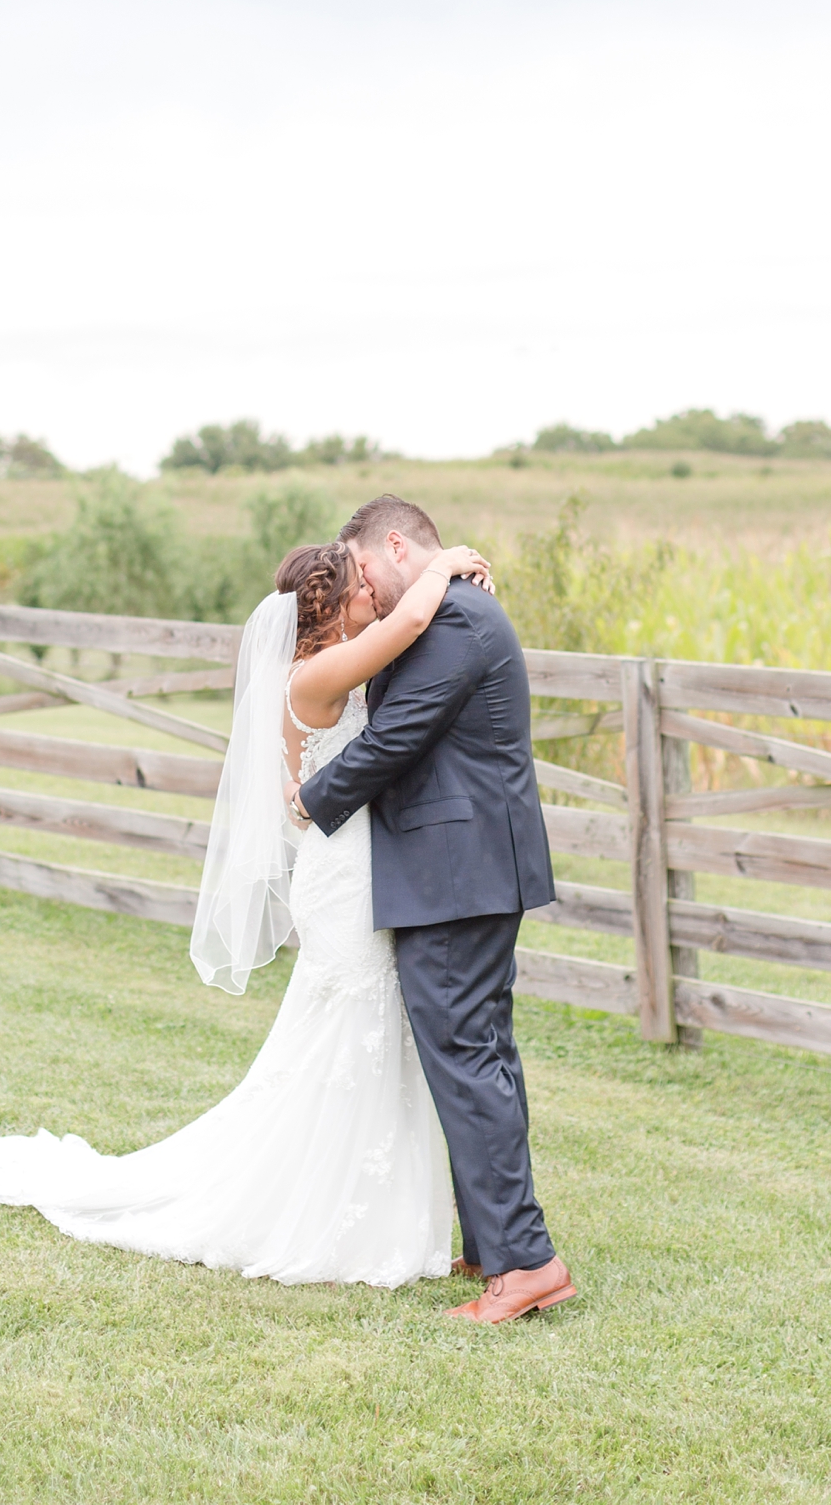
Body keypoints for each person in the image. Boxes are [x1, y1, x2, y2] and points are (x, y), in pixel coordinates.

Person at [0, 534, 493, 1289]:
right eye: (365, 582)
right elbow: (410, 627)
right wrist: (446, 560)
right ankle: (334, 1217)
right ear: (330, 607)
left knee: (363, 1035)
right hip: (346, 879)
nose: (376, 589)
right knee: (352, 1033)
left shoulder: (323, 664)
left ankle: (370, 1209)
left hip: (352, 865)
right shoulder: (322, 670)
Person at [291, 494, 574, 1324]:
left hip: (458, 872)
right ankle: (495, 1246)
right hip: (463, 868)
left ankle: (526, 1263)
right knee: (482, 1052)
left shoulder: (457, 619)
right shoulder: (445, 606)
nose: (364, 589)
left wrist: (309, 801)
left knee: (465, 1054)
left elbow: (396, 736)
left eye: (367, 571)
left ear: (391, 545)